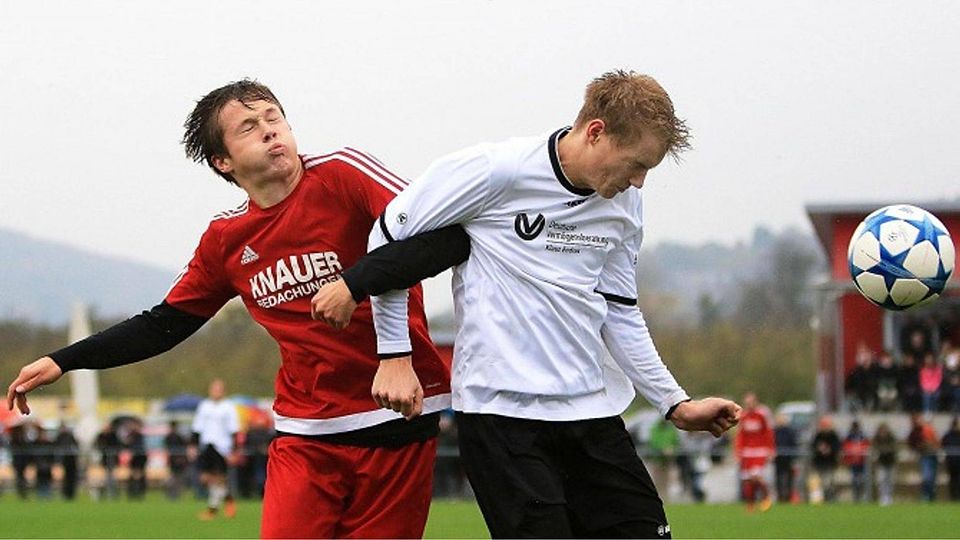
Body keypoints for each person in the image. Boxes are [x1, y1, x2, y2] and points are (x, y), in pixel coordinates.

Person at [5, 79, 464, 538]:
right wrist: (64, 360)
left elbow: (440, 234)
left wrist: (362, 298)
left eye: (273, 117)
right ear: (222, 162)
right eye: (248, 127)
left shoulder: (343, 173)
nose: (269, 131)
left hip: (399, 415)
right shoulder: (226, 240)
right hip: (306, 431)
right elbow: (163, 324)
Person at [312, 70, 741, 538]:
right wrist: (394, 354)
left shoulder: (624, 203)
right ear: (596, 131)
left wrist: (674, 403)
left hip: (591, 413)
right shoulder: (496, 170)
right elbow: (389, 239)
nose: (638, 182)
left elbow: (619, 308)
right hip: (501, 418)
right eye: (635, 163)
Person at [192, 379, 240, 519]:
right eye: (214, 389)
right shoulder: (204, 405)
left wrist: (234, 451)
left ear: (223, 391)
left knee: (219, 479)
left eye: (219, 389)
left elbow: (234, 430)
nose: (216, 391)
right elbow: (197, 427)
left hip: (222, 447)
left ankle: (212, 510)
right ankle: (229, 498)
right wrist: (193, 446)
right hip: (206, 445)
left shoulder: (228, 407)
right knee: (206, 478)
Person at [734, 393, 775, 512]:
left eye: (751, 402)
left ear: (756, 402)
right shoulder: (743, 416)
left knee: (757, 477)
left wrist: (771, 449)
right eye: (747, 402)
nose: (749, 405)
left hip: (760, 451)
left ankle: (767, 497)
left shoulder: (762, 415)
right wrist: (738, 452)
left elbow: (768, 433)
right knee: (747, 480)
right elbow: (740, 435)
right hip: (747, 452)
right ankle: (750, 505)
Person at [907, 413, 940, 502]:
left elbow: (937, 443)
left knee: (931, 478)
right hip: (924, 456)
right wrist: (921, 446)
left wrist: (930, 445)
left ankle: (930, 496)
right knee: (927, 477)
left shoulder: (928, 430)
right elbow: (912, 444)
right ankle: (926, 495)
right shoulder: (915, 431)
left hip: (932, 455)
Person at [810, 415, 841, 502]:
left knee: (828, 483)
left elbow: (837, 447)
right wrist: (819, 449)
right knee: (818, 483)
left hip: (830, 463)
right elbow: (813, 446)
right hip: (819, 463)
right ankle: (820, 500)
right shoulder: (818, 435)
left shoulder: (834, 436)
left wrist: (829, 450)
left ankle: (829, 500)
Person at [841, 420, 871, 502]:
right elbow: (845, 448)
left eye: (856, 427)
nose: (855, 429)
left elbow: (868, 447)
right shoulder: (848, 437)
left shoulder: (863, 437)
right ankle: (856, 497)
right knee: (854, 480)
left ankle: (863, 496)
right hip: (853, 462)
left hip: (863, 462)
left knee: (862, 480)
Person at [773, 413, 799, 503]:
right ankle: (780, 498)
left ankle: (788, 498)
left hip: (788, 459)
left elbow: (794, 444)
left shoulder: (790, 432)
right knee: (778, 479)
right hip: (778, 460)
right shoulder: (774, 431)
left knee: (789, 479)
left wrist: (794, 458)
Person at [872, 422, 898, 506]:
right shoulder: (877, 438)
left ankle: (889, 497)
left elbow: (894, 448)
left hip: (891, 462)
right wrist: (884, 450)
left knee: (890, 480)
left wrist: (885, 450)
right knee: (881, 480)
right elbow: (875, 448)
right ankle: (883, 497)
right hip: (881, 462)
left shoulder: (892, 438)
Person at [163, 420, 190, 500]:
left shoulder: (178, 437)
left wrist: (181, 458)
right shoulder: (170, 437)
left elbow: (183, 449)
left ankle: (175, 494)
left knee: (178, 478)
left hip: (178, 461)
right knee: (174, 478)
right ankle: (171, 494)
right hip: (173, 461)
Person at [54, 422, 80, 500]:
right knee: (66, 478)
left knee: (71, 478)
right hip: (65, 460)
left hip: (71, 460)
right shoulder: (60, 437)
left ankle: (71, 494)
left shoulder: (69, 437)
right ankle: (66, 494)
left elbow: (76, 445)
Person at [942, 417, 960, 501]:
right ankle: (954, 498)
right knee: (953, 481)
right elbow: (943, 446)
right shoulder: (947, 436)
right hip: (952, 463)